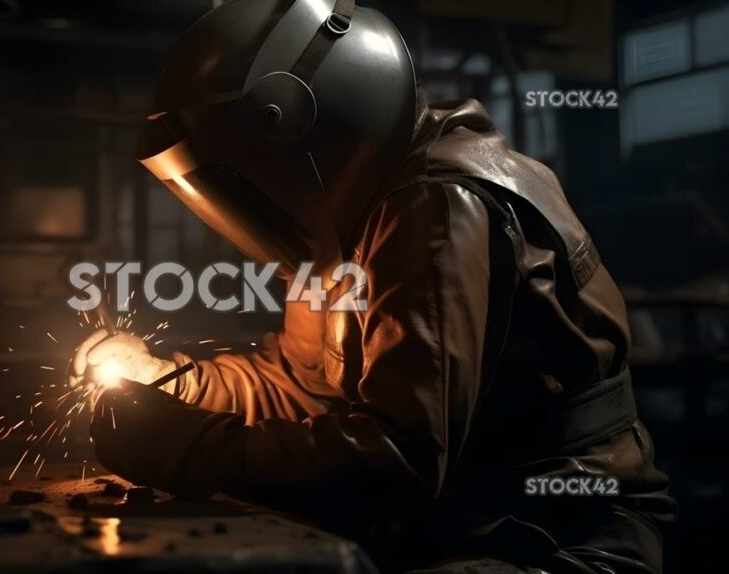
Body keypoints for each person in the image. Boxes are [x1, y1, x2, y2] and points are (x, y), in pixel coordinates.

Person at [69, 1, 674, 572]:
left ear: (304, 126)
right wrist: (168, 379)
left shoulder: (436, 208)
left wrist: (189, 449)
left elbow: (398, 457)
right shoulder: (353, 218)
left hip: (564, 531)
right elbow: (301, 383)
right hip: (478, 516)